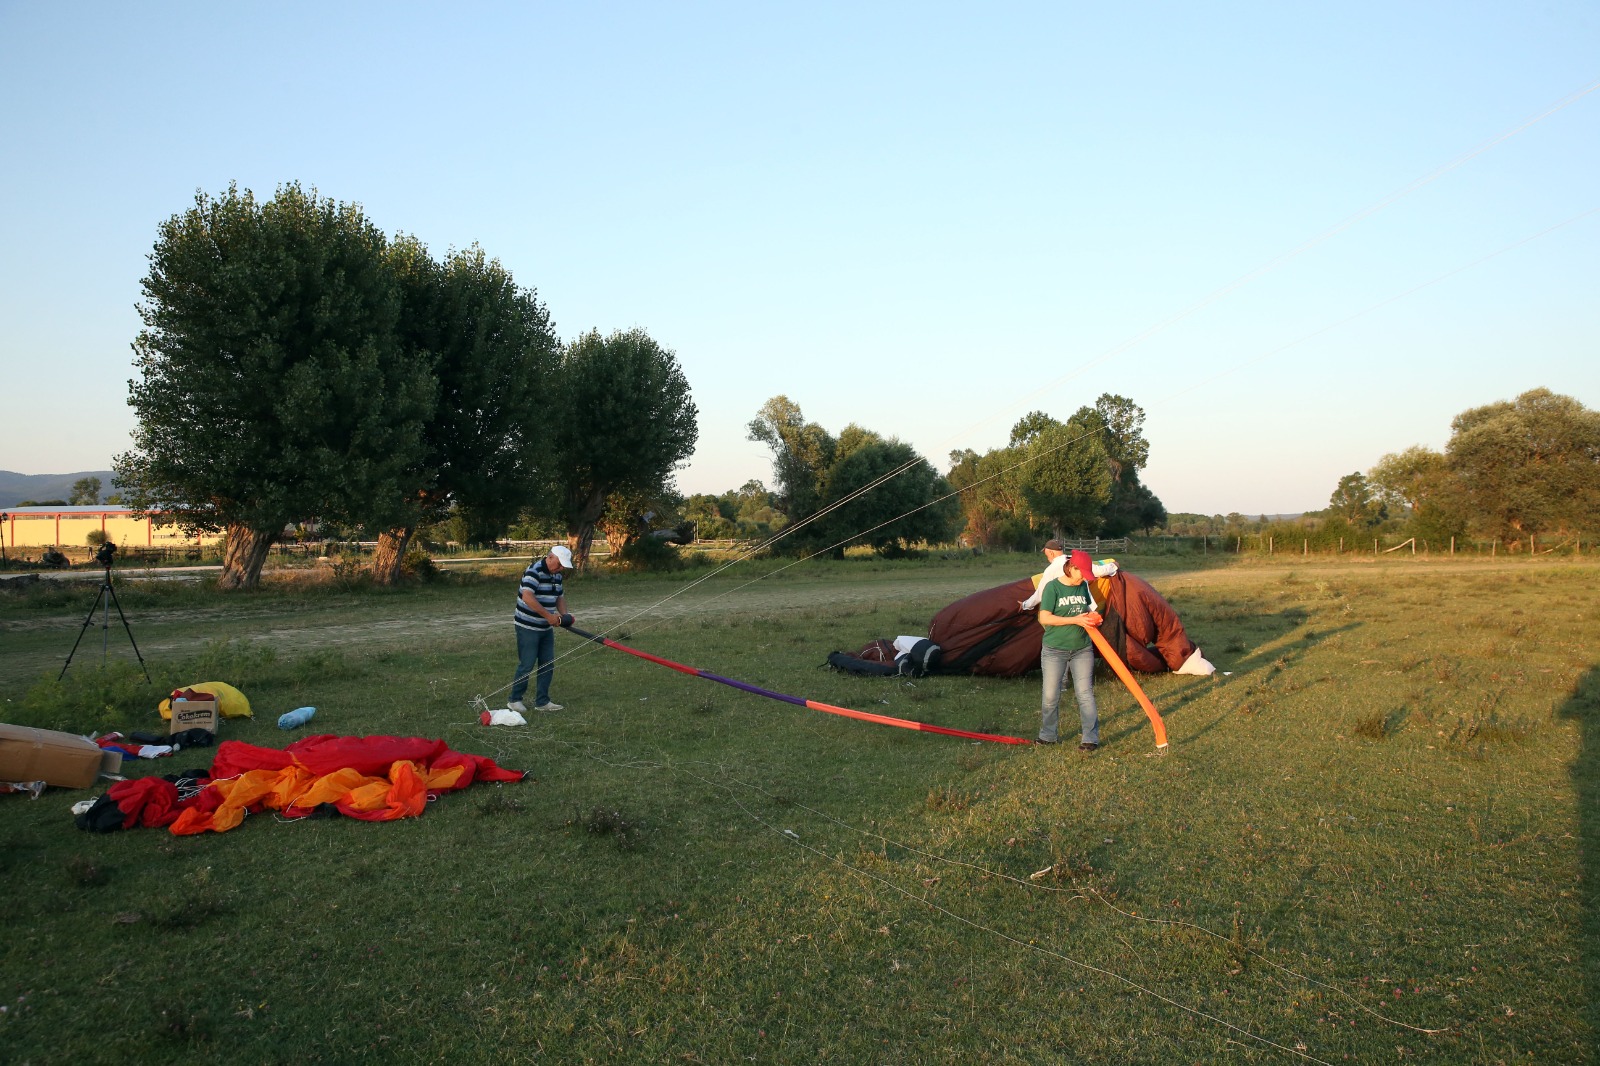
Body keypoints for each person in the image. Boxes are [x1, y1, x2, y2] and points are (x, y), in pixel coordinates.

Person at [1036, 549, 1101, 751]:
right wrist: (1075, 620)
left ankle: (1090, 739)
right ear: (1071, 568)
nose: (1083, 578)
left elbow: (1089, 609)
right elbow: (1044, 618)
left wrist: (1093, 617)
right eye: (1081, 573)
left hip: (1082, 649)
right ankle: (1048, 736)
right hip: (1054, 650)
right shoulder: (1052, 588)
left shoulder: (1082, 586)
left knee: (1085, 694)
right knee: (1050, 696)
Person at [509, 545, 575, 713]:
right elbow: (527, 597)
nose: (560, 569)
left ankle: (542, 702)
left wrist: (565, 616)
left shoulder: (557, 576)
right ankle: (514, 700)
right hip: (528, 626)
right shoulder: (534, 571)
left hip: (545, 628)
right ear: (550, 557)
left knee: (547, 663)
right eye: (559, 564)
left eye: (563, 566)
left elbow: (559, 597)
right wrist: (548, 616)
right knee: (527, 663)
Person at [1019, 539, 1068, 610]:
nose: (1047, 558)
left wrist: (1025, 605)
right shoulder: (1074, 560)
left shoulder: (1051, 569)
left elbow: (1041, 593)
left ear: (1051, 553)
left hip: (1064, 607)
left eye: (1046, 555)